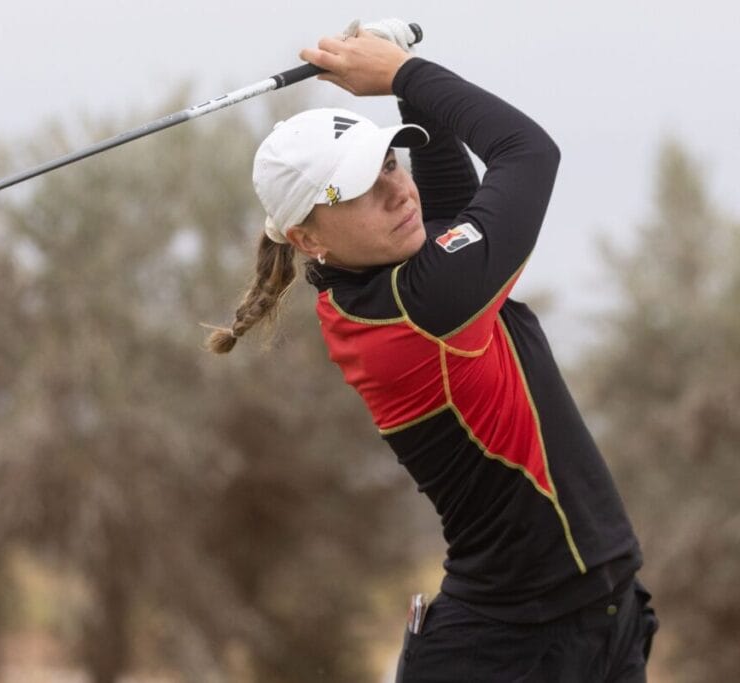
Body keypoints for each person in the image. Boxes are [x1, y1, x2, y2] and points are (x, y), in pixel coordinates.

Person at [205, 19, 658, 683]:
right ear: (307, 237)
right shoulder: (421, 303)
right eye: (359, 188)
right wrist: (399, 75)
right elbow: (529, 153)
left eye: (391, 161)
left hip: (592, 619)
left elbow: (444, 198)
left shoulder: (387, 276)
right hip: (509, 652)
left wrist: (405, 79)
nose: (396, 189)